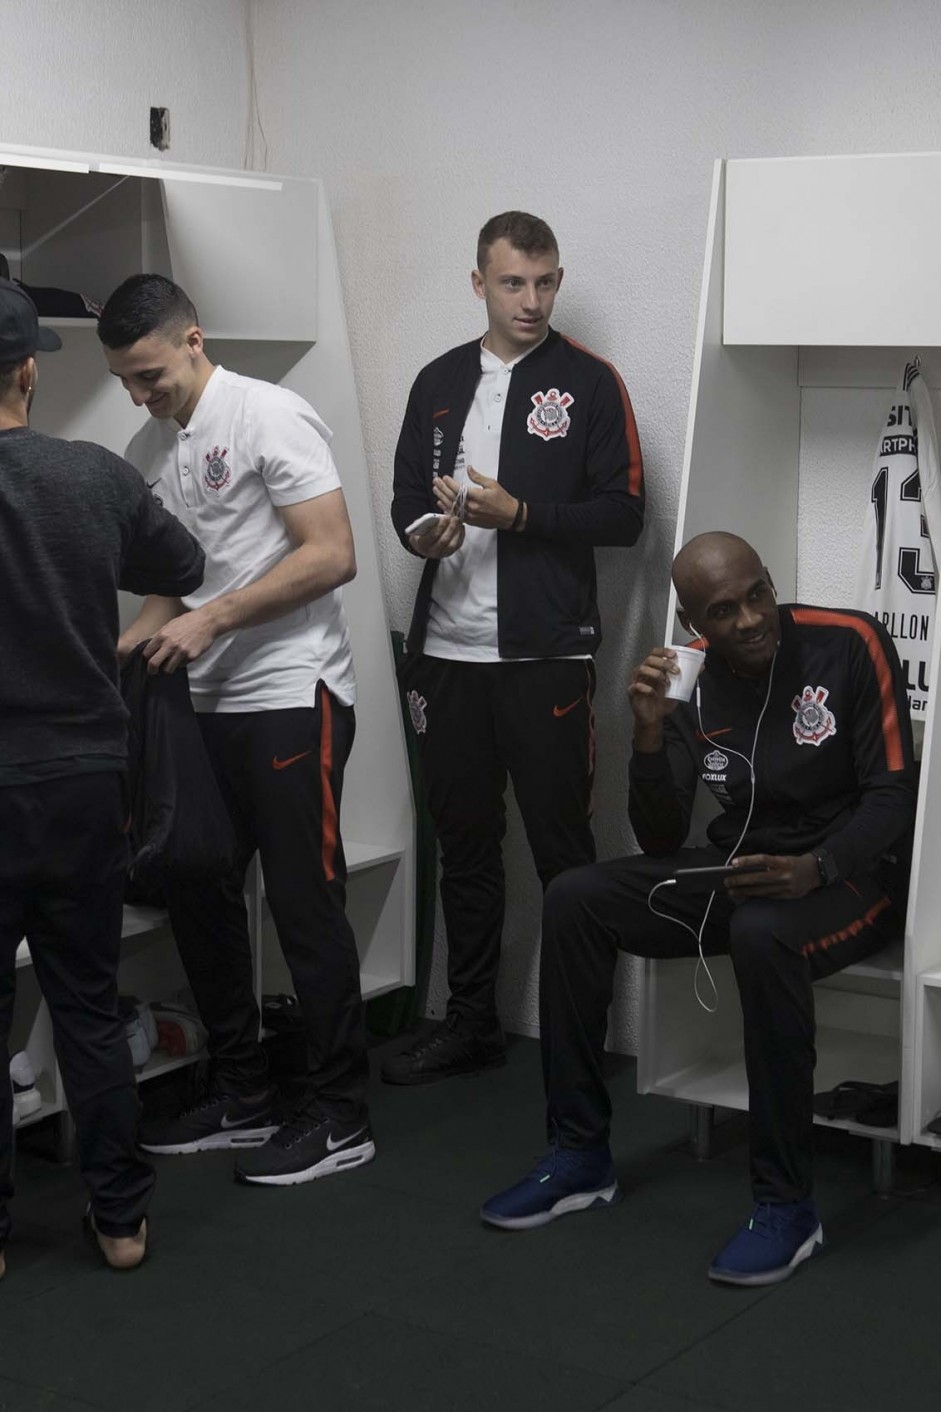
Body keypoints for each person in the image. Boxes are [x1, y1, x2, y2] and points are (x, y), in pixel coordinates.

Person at [481, 531, 917, 1287]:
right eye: (722, 610)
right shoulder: (686, 676)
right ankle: (578, 1156)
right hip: (744, 868)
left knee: (760, 931)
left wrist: (815, 866)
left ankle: (786, 1206)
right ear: (692, 621)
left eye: (757, 594)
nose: (748, 619)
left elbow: (893, 794)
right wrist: (648, 730)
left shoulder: (848, 642)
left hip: (853, 877)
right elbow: (658, 835)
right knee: (576, 897)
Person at [97, 274, 373, 1187]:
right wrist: (107, 658)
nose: (140, 395)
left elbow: (331, 552)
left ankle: (339, 1116)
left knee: (302, 905)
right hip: (200, 709)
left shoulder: (268, 416)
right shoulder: (150, 444)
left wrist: (212, 621)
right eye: (126, 381)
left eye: (149, 375)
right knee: (202, 896)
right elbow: (175, 587)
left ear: (193, 341)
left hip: (290, 693)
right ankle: (245, 1094)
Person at [387, 211, 644, 1085]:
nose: (529, 301)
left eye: (543, 283)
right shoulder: (437, 380)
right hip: (446, 655)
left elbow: (624, 514)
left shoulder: (590, 382)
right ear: (478, 284)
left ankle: (582, 1038)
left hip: (544, 660)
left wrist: (522, 516)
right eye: (511, 283)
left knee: (563, 853)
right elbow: (401, 503)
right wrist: (427, 534)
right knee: (464, 843)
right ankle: (469, 1024)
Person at [0, 277, 206, 1276]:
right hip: (85, 776)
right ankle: (121, 1220)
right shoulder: (91, 475)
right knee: (85, 1000)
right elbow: (188, 563)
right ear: (30, 371)